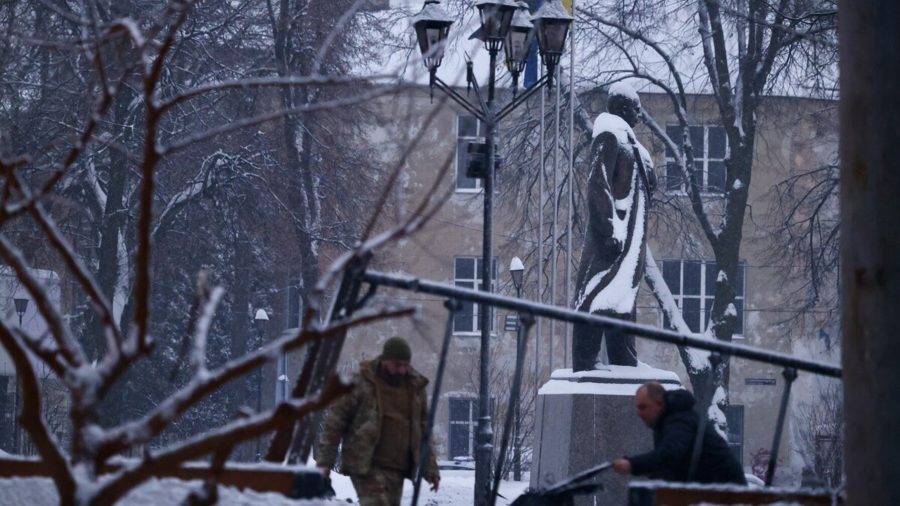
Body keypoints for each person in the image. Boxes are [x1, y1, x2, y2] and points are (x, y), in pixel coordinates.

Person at [572, 83, 656, 371]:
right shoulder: (609, 134)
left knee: (622, 299)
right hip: (613, 237)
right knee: (596, 294)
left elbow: (647, 185)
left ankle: (624, 359)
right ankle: (585, 361)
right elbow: (598, 183)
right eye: (636, 109)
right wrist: (609, 230)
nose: (640, 115)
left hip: (632, 241)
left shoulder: (633, 145)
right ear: (623, 108)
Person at [316, 336, 440, 506]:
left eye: (405, 365)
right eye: (397, 365)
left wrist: (430, 468)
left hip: (397, 467)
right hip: (365, 463)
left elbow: (424, 430)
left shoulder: (414, 388)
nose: (401, 370)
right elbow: (336, 422)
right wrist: (325, 462)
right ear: (384, 360)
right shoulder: (363, 383)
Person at [611, 382, 746, 485]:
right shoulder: (671, 419)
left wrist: (632, 464)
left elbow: (669, 454)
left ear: (659, 404)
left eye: (643, 407)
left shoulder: (679, 420)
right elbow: (675, 464)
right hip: (714, 489)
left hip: (724, 493)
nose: (639, 413)